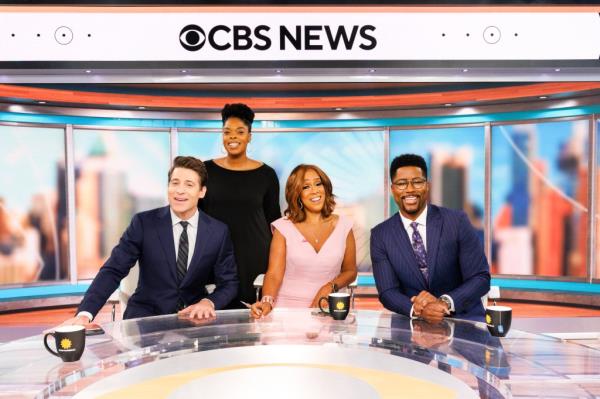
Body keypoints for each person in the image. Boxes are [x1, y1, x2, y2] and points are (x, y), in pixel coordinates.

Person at [59, 156, 239, 326]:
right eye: (174, 183)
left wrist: (209, 302)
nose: (180, 190)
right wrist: (85, 314)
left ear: (202, 192)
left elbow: (229, 283)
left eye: (189, 184)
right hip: (145, 321)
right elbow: (113, 270)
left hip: (193, 322)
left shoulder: (218, 231)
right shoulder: (143, 224)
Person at [371, 153, 490, 323]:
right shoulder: (380, 235)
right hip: (412, 327)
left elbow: (480, 277)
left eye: (417, 182)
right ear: (393, 189)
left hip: (464, 319)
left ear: (427, 186)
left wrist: (444, 303)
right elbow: (388, 292)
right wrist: (419, 310)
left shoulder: (457, 221)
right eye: (402, 184)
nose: (410, 189)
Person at [250, 164, 357, 318]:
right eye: (306, 187)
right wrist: (267, 300)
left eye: (318, 184)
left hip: (327, 307)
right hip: (286, 311)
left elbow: (350, 271)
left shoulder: (344, 225)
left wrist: (330, 287)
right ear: (297, 194)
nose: (315, 190)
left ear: (325, 188)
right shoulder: (283, 227)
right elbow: (274, 274)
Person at [201, 103, 280, 308]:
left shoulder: (267, 175)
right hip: (214, 256)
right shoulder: (205, 170)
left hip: (253, 258)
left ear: (249, 136)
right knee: (212, 320)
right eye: (227, 132)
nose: (233, 137)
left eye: (240, 131)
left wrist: (275, 266)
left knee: (251, 325)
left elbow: (274, 222)